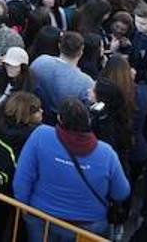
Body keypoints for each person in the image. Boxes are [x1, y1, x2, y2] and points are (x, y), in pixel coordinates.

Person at [12, 98, 130, 242]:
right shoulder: (106, 153)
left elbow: (22, 180)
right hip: (88, 226)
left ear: (60, 119)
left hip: (41, 218)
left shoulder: (40, 135)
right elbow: (121, 192)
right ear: (88, 121)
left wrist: (24, 208)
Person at [28, 31, 94, 120]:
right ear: (81, 52)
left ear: (59, 46)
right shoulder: (86, 83)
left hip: (36, 117)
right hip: (65, 125)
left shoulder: (39, 62)